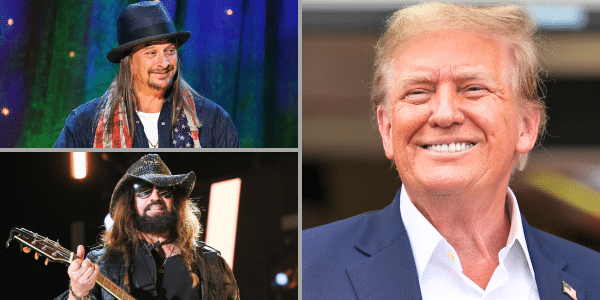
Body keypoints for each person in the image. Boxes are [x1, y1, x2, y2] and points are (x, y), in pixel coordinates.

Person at [303, 3, 600, 300]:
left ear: (526, 127)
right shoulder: (304, 268)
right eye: (418, 92)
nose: (444, 114)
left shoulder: (592, 277)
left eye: (473, 89)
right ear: (387, 129)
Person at [54, 1, 239, 148]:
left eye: (170, 51)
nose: (165, 63)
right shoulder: (84, 123)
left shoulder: (213, 119)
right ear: (127, 60)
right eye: (151, 53)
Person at [55, 154, 239, 300]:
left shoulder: (211, 261)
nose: (155, 196)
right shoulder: (102, 262)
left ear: (175, 200)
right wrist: (78, 292)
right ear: (129, 203)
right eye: (143, 191)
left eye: (164, 190)